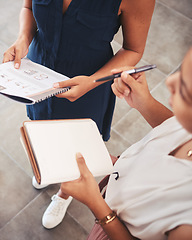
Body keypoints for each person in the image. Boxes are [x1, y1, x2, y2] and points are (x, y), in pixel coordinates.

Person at [3, 0, 154, 228]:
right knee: (40, 127)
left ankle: (65, 193)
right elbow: (27, 8)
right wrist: (23, 38)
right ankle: (50, 166)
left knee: (76, 150)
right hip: (39, 72)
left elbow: (133, 49)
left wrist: (92, 82)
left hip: (88, 83)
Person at [60, 48, 192, 239]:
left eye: (186, 87)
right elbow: (174, 127)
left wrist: (96, 204)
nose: (170, 81)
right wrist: (143, 101)